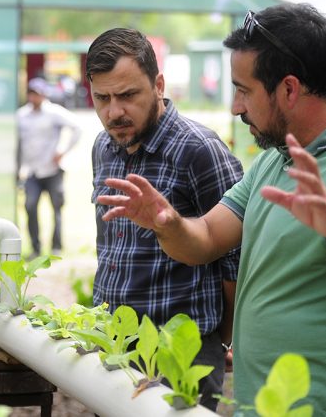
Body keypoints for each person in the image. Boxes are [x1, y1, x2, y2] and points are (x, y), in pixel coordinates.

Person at [96, 4, 326, 415]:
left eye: (243, 90)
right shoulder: (277, 158)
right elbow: (205, 239)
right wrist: (167, 223)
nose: (236, 107)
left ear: (289, 89)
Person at [86, 28, 243, 410]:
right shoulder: (103, 146)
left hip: (181, 353)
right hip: (114, 345)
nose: (113, 111)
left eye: (127, 95)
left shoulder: (199, 150)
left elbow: (237, 262)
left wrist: (220, 339)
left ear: (158, 84)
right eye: (101, 98)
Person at [16, 77, 82, 257]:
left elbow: (77, 127)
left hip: (53, 170)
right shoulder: (21, 115)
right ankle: (35, 248)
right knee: (30, 207)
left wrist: (63, 150)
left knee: (56, 208)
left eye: (37, 94)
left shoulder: (54, 113)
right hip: (32, 171)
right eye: (31, 94)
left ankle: (56, 246)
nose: (33, 98)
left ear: (44, 95)